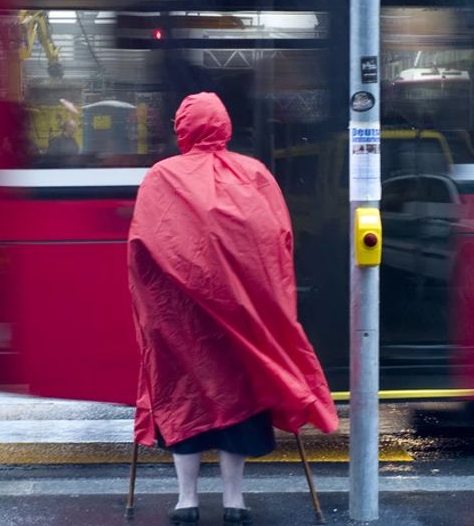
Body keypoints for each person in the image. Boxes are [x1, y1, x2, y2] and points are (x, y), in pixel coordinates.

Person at [128, 93, 337, 526]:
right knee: (238, 396)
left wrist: (150, 312)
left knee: (182, 396)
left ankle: (186, 500)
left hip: (180, 318)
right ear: (223, 126)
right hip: (243, 316)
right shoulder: (255, 174)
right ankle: (234, 500)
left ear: (182, 129)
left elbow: (141, 251)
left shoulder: (162, 176)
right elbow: (277, 247)